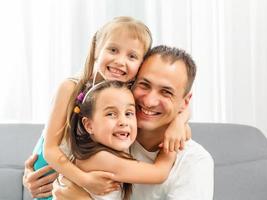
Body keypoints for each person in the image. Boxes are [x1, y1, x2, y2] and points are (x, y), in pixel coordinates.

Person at [23, 17, 190, 199]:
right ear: (97, 49)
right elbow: (51, 150)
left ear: (140, 65)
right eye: (113, 50)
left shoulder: (126, 92)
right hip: (52, 173)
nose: (120, 61)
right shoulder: (71, 87)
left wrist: (180, 122)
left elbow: (178, 106)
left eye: (131, 56)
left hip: (83, 173)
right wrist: (84, 179)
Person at [53, 45, 214, 200]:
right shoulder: (114, 138)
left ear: (185, 102)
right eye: (144, 85)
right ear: (131, 83)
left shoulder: (194, 162)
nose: (150, 102)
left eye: (166, 92)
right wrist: (32, 178)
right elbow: (54, 171)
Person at [69, 80, 176, 200]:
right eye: (111, 114)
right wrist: (172, 144)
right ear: (89, 125)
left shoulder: (113, 147)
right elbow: (159, 174)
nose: (123, 122)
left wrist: (180, 123)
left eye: (129, 113)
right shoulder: (100, 159)